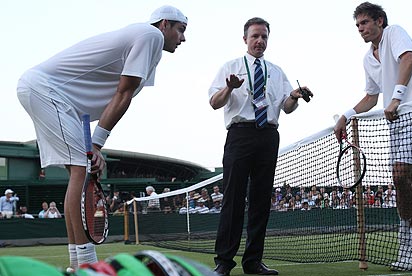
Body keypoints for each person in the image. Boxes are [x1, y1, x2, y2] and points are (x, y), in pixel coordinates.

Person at [16, 5, 188, 270]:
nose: (183, 38)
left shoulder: (147, 44)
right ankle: (87, 263)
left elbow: (119, 94)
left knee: (79, 171)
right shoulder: (150, 35)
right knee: (81, 170)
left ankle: (78, 263)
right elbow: (123, 94)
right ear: (164, 24)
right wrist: (96, 144)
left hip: (53, 96)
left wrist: (95, 144)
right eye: (181, 30)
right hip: (47, 91)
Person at [333, 2, 412, 271]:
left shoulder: (395, 32)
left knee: (401, 174)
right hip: (397, 121)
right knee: (407, 181)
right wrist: (347, 115)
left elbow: (408, 59)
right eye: (358, 25)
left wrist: (396, 98)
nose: (361, 29)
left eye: (365, 23)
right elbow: (371, 97)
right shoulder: (367, 58)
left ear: (380, 21)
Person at [208, 17, 312, 276]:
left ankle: (253, 262)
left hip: (268, 136)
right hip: (240, 134)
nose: (260, 41)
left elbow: (286, 107)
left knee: (260, 201)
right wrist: (229, 88)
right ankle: (223, 262)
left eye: (264, 36)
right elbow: (214, 102)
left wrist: (295, 97)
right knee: (232, 199)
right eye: (255, 36)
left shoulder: (276, 71)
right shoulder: (230, 66)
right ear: (245, 39)